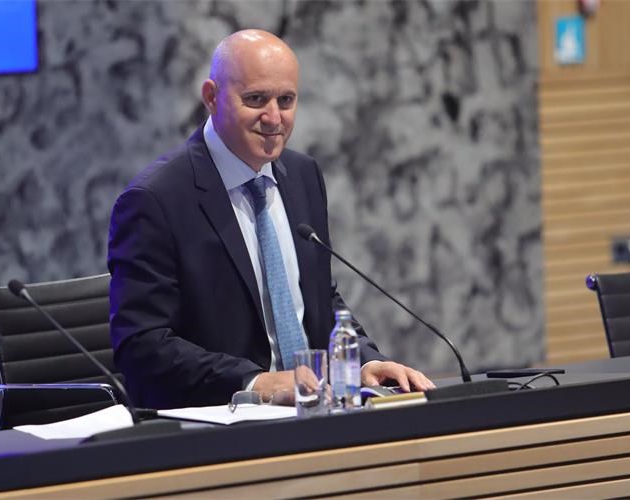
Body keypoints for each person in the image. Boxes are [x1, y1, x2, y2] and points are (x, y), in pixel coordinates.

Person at [108, 29, 434, 410]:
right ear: (211, 97)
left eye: (286, 100)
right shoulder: (155, 200)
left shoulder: (303, 176)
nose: (274, 117)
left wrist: (363, 362)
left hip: (314, 413)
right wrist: (254, 382)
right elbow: (141, 346)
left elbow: (317, 299)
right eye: (256, 99)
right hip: (219, 426)